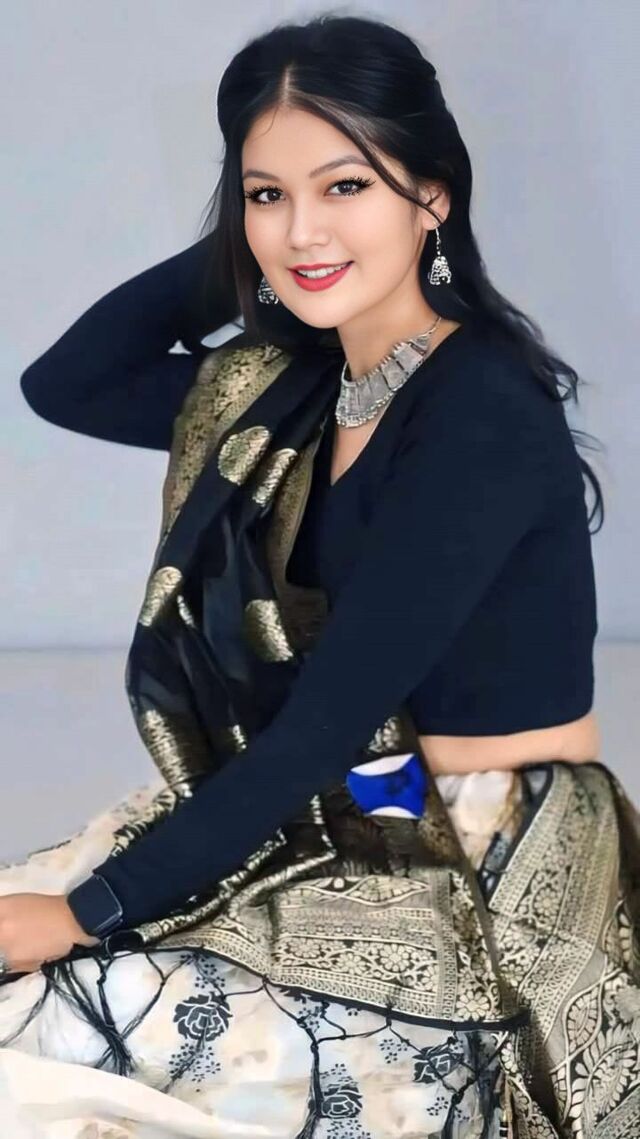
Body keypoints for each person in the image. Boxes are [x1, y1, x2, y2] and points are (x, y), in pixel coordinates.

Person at [1, 13, 638, 1139]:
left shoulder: (480, 412)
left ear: (430, 194)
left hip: (480, 856)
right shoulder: (294, 389)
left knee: (55, 1036)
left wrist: (92, 912)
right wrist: (261, 246)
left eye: (346, 186)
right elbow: (70, 382)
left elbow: (323, 725)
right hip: (335, 808)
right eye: (266, 195)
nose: (302, 230)